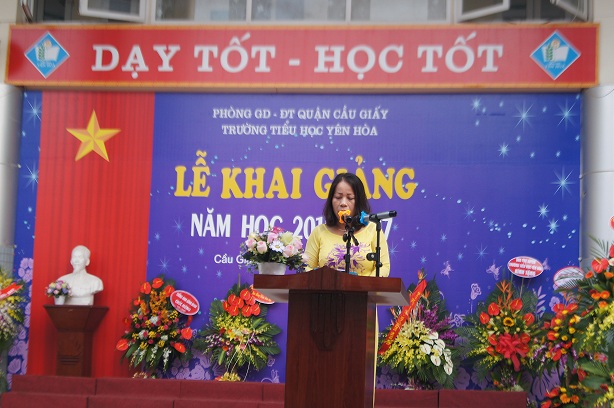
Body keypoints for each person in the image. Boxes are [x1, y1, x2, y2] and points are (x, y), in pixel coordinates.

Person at [304, 172, 390, 277]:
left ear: (358, 202)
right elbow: (306, 267)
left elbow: (383, 267)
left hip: (365, 287)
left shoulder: (373, 229)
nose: (343, 203)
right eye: (338, 197)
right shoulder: (319, 231)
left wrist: (365, 285)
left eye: (350, 198)